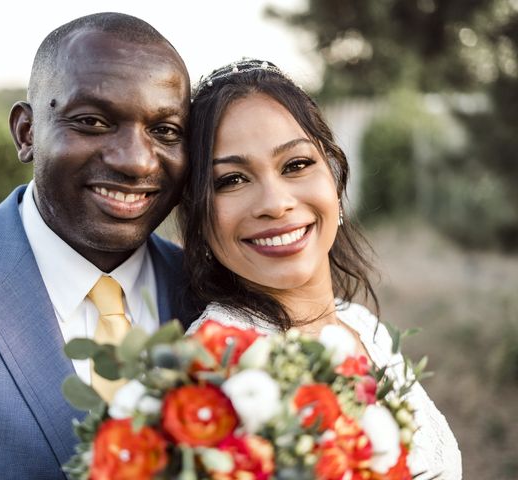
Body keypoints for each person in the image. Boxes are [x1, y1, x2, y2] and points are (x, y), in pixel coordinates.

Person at [0, 12, 196, 479]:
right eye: (92, 121)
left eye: (165, 131)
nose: (135, 161)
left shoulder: (214, 295)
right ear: (26, 132)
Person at [179, 59, 462, 479]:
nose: (275, 203)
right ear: (198, 216)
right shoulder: (212, 372)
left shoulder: (362, 325)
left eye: (295, 165)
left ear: (334, 177)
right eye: (232, 180)